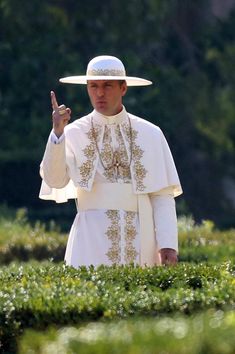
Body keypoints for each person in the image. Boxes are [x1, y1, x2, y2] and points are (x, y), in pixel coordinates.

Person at [39, 55, 183, 268]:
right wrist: (57, 134)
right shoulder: (73, 133)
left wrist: (168, 245)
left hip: (141, 237)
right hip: (90, 238)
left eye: (107, 86)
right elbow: (55, 180)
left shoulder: (150, 133)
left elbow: (162, 195)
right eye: (93, 86)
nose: (99, 93)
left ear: (123, 88)